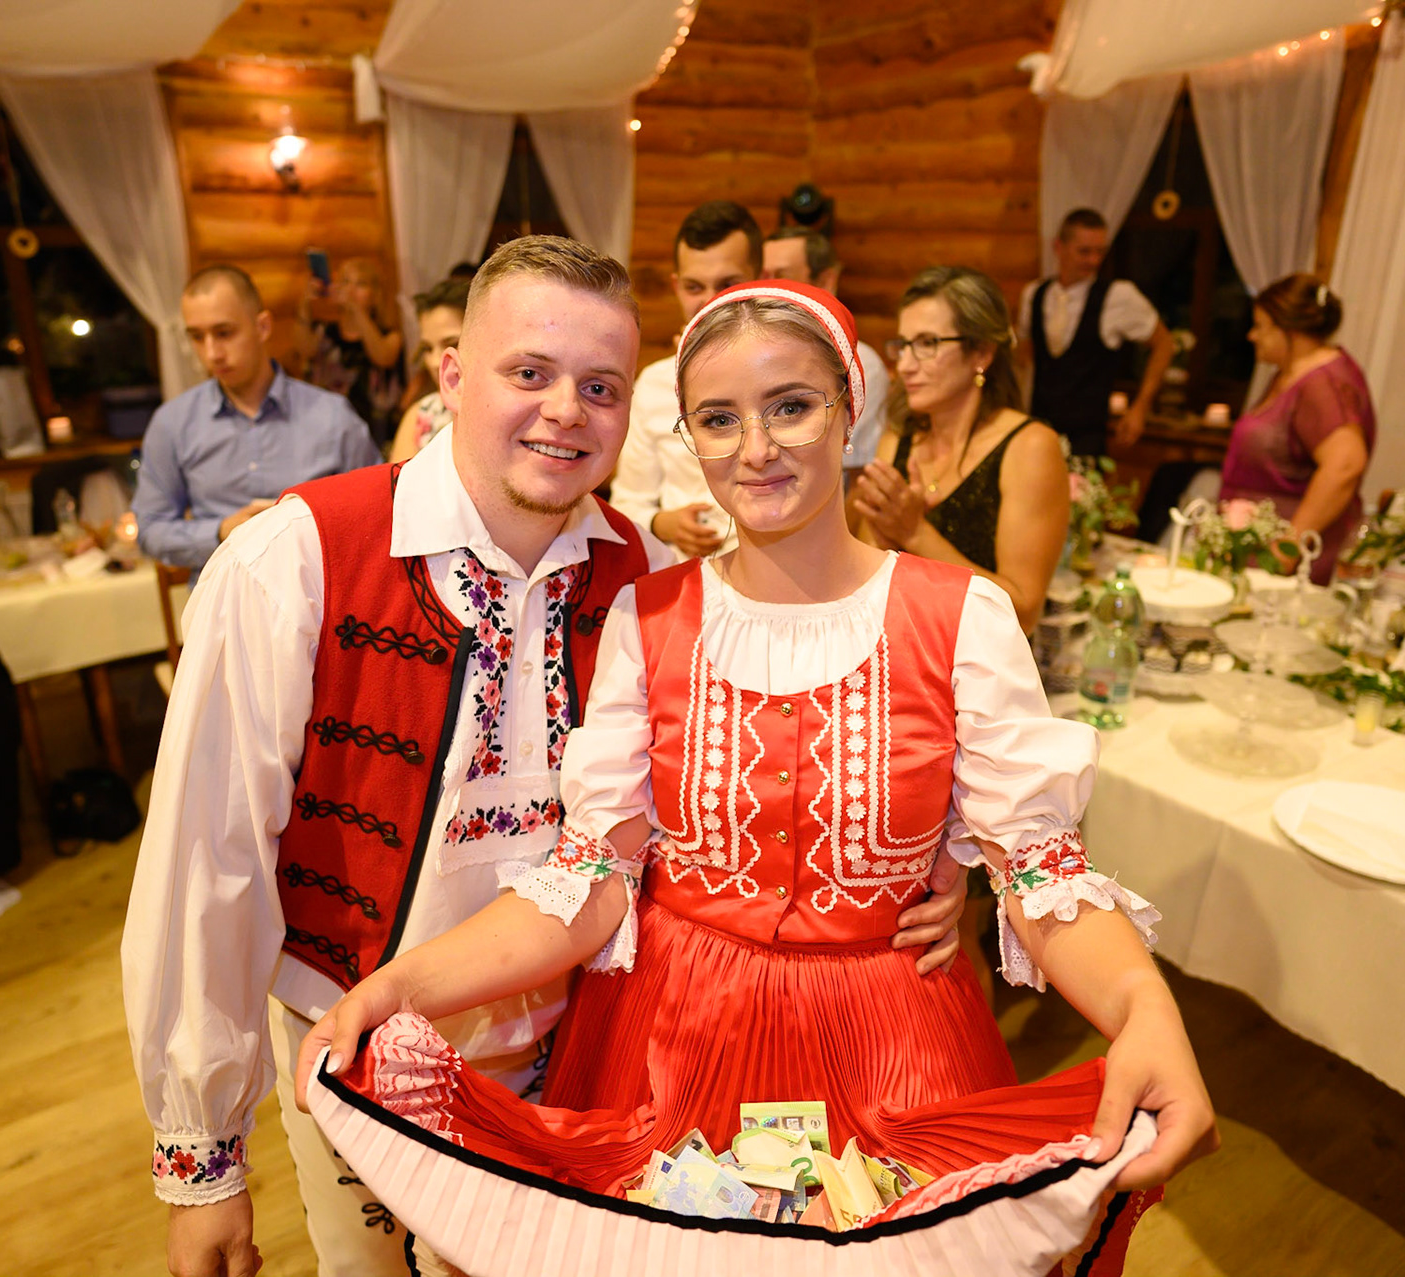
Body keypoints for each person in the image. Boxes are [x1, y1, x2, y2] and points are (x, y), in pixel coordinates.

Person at [299, 282, 1217, 1271]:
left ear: (849, 408)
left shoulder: (963, 616)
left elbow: (1042, 874)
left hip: (898, 1049)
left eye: (791, 406)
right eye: (719, 418)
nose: (757, 448)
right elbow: (586, 883)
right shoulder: (650, 616)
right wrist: (401, 983)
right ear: (689, 436)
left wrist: (1144, 1006)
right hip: (670, 1044)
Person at [122, 239, 973, 1277]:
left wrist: (931, 864)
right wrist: (203, 1158)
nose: (565, 410)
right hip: (359, 1054)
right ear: (450, 376)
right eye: (529, 371)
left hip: (582, 1057)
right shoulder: (294, 559)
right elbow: (205, 868)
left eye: (600, 386)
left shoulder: (651, 576)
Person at [852, 267, 1070, 635]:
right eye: (903, 345)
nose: (905, 365)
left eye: (927, 344)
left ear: (981, 352)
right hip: (900, 648)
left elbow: (1023, 614)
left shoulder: (1029, 446)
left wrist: (916, 535)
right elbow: (863, 584)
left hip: (980, 661)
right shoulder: (898, 440)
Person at [134, 265, 381, 575]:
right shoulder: (173, 423)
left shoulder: (333, 416)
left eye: (224, 333)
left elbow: (378, 512)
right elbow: (150, 530)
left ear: (262, 327)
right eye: (197, 337)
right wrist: (220, 532)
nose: (212, 354)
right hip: (221, 596)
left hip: (320, 593)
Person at [608, 200, 762, 560]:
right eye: (694, 287)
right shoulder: (653, 383)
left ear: (760, 279)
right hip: (681, 571)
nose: (709, 302)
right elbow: (628, 503)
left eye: (727, 284)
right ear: (676, 287)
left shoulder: (783, 378)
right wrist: (664, 523)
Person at [1219, 274, 1375, 584]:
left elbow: (1345, 465)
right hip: (1257, 549)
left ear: (1289, 330)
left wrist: (1288, 546)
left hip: (1285, 563)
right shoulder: (1291, 373)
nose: (1252, 335)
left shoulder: (1323, 384)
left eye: (1260, 326)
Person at [1017, 208, 1174, 457]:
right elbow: (1025, 358)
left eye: (1100, 252)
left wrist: (1140, 407)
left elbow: (1164, 344)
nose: (1093, 261)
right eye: (1084, 251)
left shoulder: (1119, 296)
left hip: (1087, 437)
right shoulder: (1033, 294)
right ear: (1058, 247)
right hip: (1038, 430)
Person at [762, 225, 891, 483]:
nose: (768, 290)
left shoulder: (858, 363)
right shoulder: (751, 358)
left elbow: (858, 477)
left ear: (825, 282)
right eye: (763, 277)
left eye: (781, 278)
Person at [302, 255, 407, 449]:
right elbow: (304, 349)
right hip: (329, 435)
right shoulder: (325, 332)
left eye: (360, 284)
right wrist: (305, 304)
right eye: (345, 282)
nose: (350, 290)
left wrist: (355, 309)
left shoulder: (391, 335)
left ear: (375, 294)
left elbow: (383, 356)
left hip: (377, 437)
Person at [388, 277, 468, 464]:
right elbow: (400, 481)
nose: (435, 361)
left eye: (451, 344)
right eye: (427, 348)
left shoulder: (511, 409)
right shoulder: (421, 414)